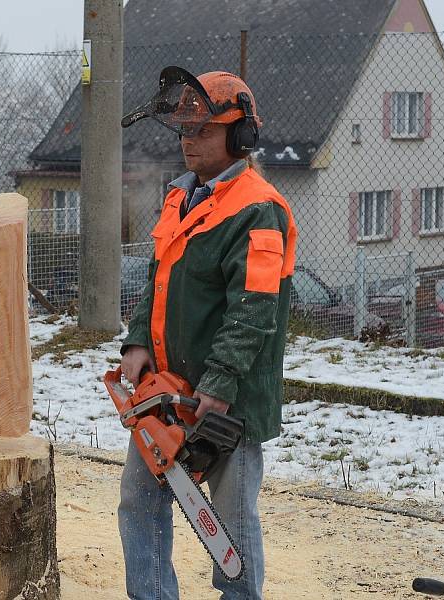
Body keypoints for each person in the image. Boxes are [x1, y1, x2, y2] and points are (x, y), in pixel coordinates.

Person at [117, 67, 298, 599]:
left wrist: (215, 389)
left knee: (231, 524)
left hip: (228, 400)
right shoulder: (183, 198)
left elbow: (253, 311)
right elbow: (159, 278)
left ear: (241, 135)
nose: (188, 142)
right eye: (184, 131)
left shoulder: (257, 210)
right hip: (168, 388)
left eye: (202, 131)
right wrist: (136, 342)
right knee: (140, 500)